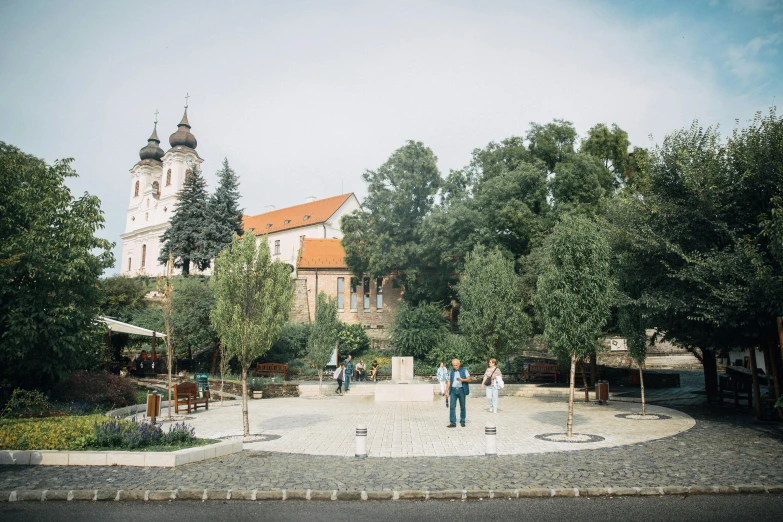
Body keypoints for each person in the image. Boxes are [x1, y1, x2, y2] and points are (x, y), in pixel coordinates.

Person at [446, 358, 471, 428]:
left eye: (456, 365)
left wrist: (462, 379)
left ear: (459, 364)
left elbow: (469, 379)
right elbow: (448, 382)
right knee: (452, 407)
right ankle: (453, 423)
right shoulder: (451, 372)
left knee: (462, 406)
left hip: (461, 390)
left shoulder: (464, 370)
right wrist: (446, 391)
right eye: (454, 365)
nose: (455, 366)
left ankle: (462, 421)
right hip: (453, 390)